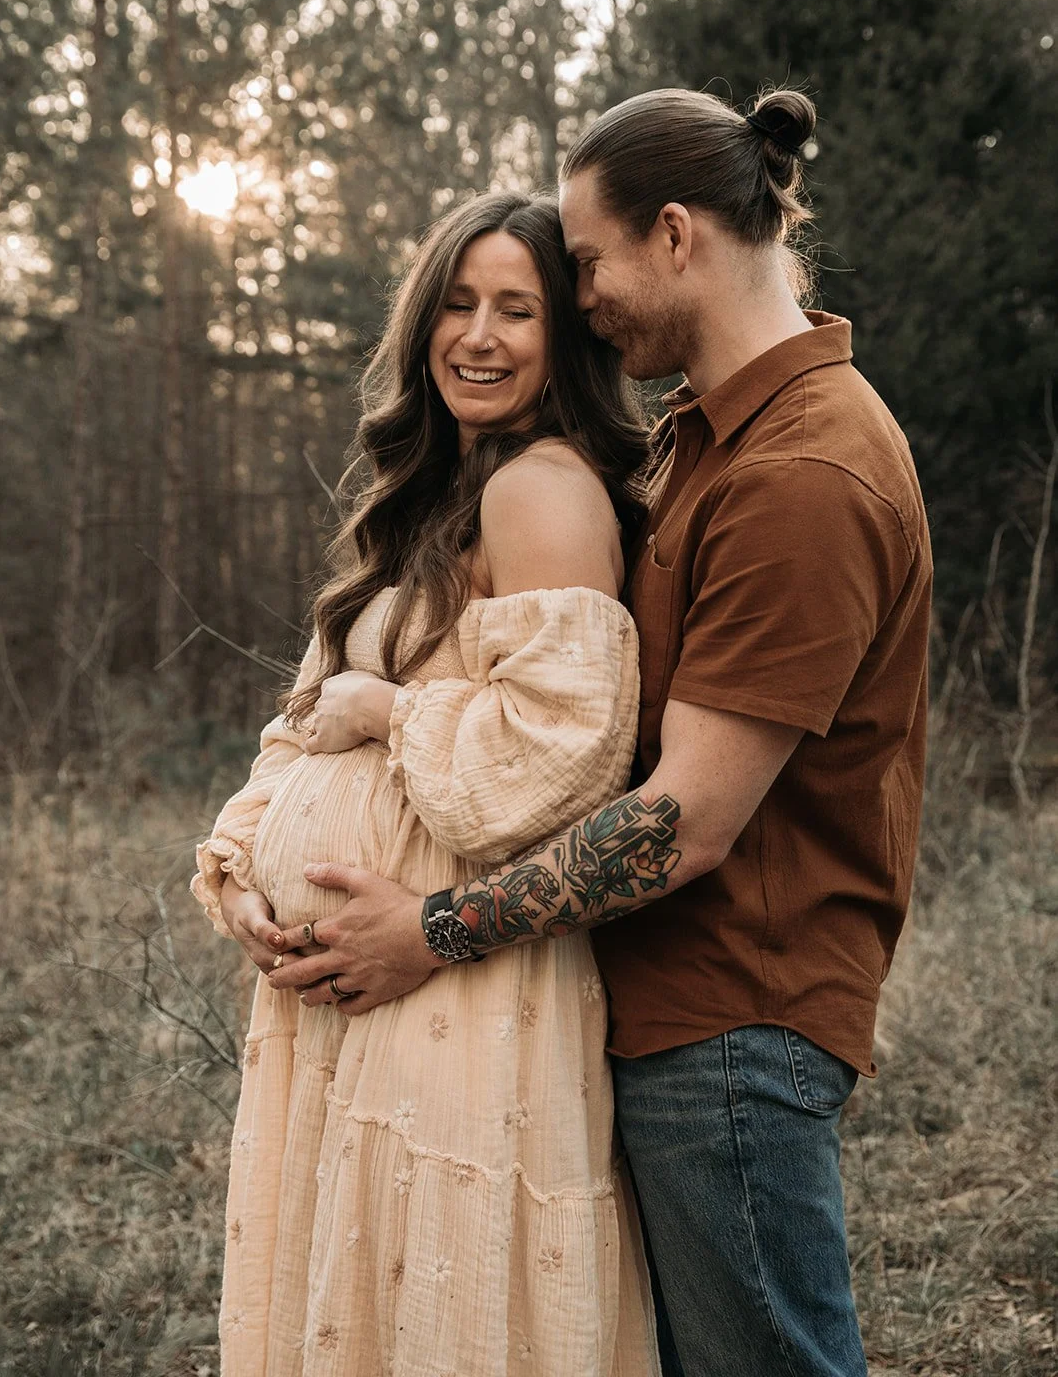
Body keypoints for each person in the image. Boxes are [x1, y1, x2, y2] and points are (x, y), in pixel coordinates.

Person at [271, 88, 933, 1377]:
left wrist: (431, 931)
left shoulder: (804, 472)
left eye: (581, 264)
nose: (578, 300)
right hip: (658, 1013)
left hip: (730, 1023)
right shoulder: (704, 440)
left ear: (674, 234)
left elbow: (683, 821)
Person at [192, 190, 661, 1376]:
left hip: (462, 982)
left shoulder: (539, 488)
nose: (479, 335)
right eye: (456, 303)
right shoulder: (421, 501)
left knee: (439, 1314)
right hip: (345, 987)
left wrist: (394, 710)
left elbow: (565, 755)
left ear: (565, 334)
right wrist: (241, 871)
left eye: (516, 308)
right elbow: (301, 728)